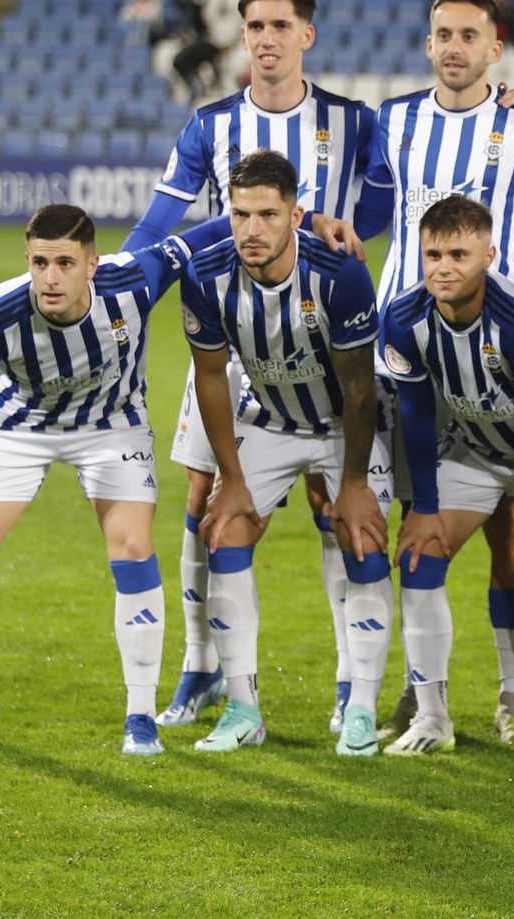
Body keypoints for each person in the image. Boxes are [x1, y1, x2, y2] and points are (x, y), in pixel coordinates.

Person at [124, 0, 371, 737]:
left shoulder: (352, 121)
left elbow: (410, 185)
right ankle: (201, 664)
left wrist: (331, 225)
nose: (266, 39)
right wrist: (120, 279)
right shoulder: (210, 124)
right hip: (231, 330)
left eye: (279, 25)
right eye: (255, 26)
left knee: (335, 506)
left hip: (316, 328)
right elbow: (160, 223)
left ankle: (349, 682)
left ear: (307, 35)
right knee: (204, 501)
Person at [358, 0, 514, 744]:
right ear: (428, 44)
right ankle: (417, 690)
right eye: (444, 35)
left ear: (495, 48)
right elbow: (374, 211)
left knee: (509, 529)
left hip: (502, 347)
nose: (455, 48)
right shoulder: (394, 119)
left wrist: (511, 252)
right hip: (408, 349)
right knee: (416, 519)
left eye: (470, 35)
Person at [0, 203, 230, 755]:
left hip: (111, 425)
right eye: (40, 263)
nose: (51, 278)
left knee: (133, 546)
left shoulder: (134, 280)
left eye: (64, 263)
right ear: (27, 261)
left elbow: (201, 237)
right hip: (19, 424)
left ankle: (140, 717)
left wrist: (307, 222)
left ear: (92, 265)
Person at [179, 150, 393, 754]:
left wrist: (354, 484)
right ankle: (243, 708)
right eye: (240, 214)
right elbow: (211, 378)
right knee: (224, 529)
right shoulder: (205, 274)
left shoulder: (339, 273)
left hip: (341, 426)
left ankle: (360, 707)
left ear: (296, 216)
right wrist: (232, 478)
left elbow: (360, 389)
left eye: (268, 215)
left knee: (362, 537)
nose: (252, 229)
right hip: (269, 420)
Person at [381, 196, 514, 754]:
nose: (443, 267)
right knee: (418, 556)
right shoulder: (404, 317)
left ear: (489, 256)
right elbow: (417, 413)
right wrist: (424, 507)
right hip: (477, 451)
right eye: (433, 255)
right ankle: (431, 717)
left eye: (458, 255)